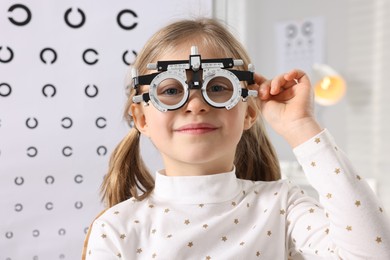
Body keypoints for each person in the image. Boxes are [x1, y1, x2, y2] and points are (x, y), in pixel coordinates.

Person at [83, 18, 390, 259]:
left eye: (217, 87)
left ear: (249, 112)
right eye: (171, 90)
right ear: (141, 118)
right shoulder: (116, 229)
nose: (196, 104)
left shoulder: (282, 206)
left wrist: (301, 126)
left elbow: (374, 253)